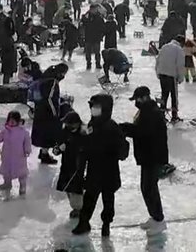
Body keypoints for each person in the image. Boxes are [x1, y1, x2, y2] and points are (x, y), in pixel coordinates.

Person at [72, 94, 130, 237]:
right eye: (92, 107)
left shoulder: (112, 127)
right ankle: (84, 223)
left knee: (108, 200)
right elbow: (84, 148)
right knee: (89, 199)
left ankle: (106, 224)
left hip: (109, 170)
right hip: (94, 170)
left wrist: (113, 151)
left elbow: (123, 151)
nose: (93, 109)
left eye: (96, 107)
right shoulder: (91, 125)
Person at [120, 86, 169, 235]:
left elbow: (143, 133)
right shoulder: (146, 110)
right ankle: (155, 217)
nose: (136, 102)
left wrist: (125, 129)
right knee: (147, 188)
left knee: (149, 188)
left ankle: (159, 220)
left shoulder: (152, 113)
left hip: (153, 156)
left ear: (144, 97)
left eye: (137, 99)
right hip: (147, 156)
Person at [32, 63, 68, 165]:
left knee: (44, 133)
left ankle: (43, 152)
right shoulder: (52, 82)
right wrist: (55, 113)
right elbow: (49, 98)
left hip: (40, 110)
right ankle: (44, 155)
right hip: (47, 112)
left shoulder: (45, 78)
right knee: (48, 134)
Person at [0, 110, 33, 195]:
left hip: (19, 156)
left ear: (18, 121)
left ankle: (22, 186)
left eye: (14, 120)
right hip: (7, 156)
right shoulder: (5, 130)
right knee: (6, 171)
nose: (12, 122)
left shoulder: (23, 132)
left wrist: (27, 150)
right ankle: (7, 183)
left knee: (22, 173)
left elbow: (27, 142)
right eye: (10, 120)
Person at [54, 111, 87, 219]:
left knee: (77, 188)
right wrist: (59, 149)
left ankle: (78, 208)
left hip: (78, 166)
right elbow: (56, 149)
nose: (68, 125)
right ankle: (75, 207)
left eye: (70, 123)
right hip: (66, 164)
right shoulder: (64, 132)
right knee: (67, 188)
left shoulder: (83, 133)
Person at [155, 35, 185, 122]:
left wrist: (158, 73)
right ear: (181, 43)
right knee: (174, 96)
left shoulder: (164, 46)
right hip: (171, 75)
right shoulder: (179, 50)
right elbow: (180, 65)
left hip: (162, 74)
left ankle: (161, 114)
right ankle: (174, 116)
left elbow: (158, 60)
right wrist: (180, 78)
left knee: (163, 95)